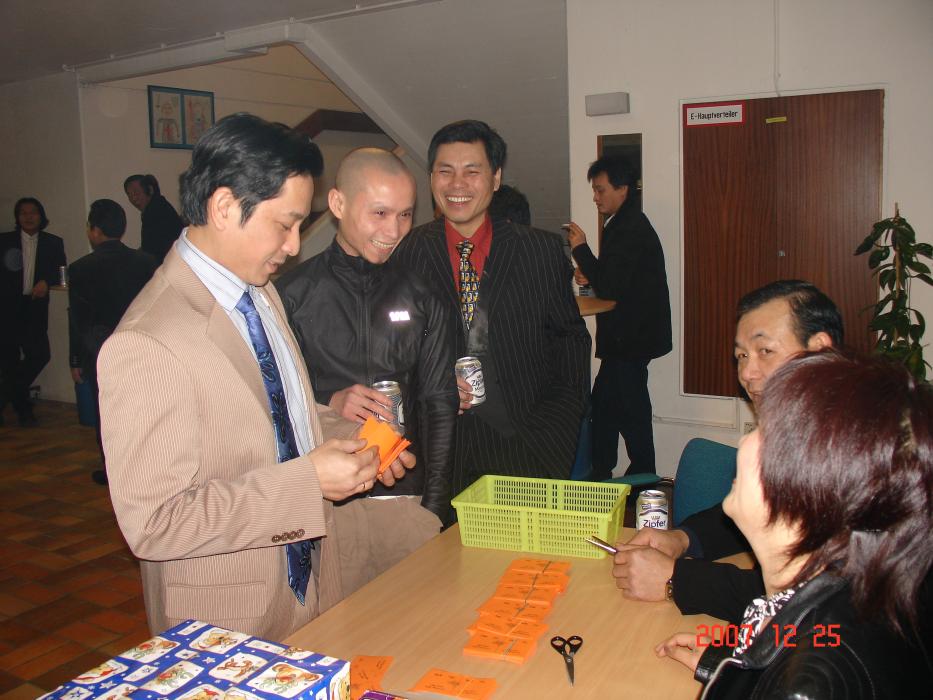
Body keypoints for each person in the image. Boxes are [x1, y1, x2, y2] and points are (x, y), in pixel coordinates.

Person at [99, 113, 412, 640]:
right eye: (284, 224)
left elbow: (277, 414)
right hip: (227, 617)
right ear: (224, 207)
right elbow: (155, 523)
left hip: (311, 581)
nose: (293, 246)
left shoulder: (259, 292)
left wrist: (351, 438)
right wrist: (309, 481)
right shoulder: (146, 341)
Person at [656, 351, 933, 697]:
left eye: (764, 430)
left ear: (805, 480)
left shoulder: (806, 688)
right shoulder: (861, 590)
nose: (743, 442)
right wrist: (737, 669)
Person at [276, 148, 457, 593]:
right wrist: (328, 400)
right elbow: (267, 399)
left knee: (415, 622)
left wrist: (433, 505)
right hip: (327, 503)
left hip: (406, 498)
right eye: (379, 213)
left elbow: (440, 402)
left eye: (405, 214)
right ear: (338, 204)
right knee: (335, 628)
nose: (393, 231)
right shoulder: (291, 295)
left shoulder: (423, 294)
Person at [613, 280, 843, 622]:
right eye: (741, 356)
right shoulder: (802, 431)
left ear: (819, 349)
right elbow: (759, 516)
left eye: (765, 351)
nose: (747, 373)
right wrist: (683, 539)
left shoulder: (859, 452)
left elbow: (810, 602)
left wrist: (676, 580)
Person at [392, 119, 590, 499]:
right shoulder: (407, 253)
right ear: (431, 178)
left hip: (527, 449)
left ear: (496, 178)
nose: (457, 184)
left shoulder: (540, 251)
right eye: (445, 171)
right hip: (435, 452)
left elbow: (570, 343)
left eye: (472, 171)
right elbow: (393, 351)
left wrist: (558, 431)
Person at [565, 156, 672, 479]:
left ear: (622, 189)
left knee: (626, 410)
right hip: (630, 339)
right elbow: (615, 279)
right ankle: (606, 473)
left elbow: (612, 285)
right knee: (608, 407)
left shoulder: (629, 227)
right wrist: (590, 273)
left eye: (600, 190)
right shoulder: (624, 223)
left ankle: (638, 476)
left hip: (631, 339)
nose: (595, 197)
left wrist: (581, 249)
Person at [68, 199, 158, 485]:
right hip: (141, 346)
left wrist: (76, 359)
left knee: (107, 414)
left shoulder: (80, 268)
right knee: (143, 410)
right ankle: (147, 465)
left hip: (100, 349)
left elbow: (79, 320)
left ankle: (113, 470)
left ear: (95, 230)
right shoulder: (146, 262)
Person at [0, 197, 66, 427]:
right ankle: (24, 410)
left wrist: (46, 281)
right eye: (23, 213)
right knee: (8, 362)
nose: (28, 217)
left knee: (40, 355)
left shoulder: (53, 242)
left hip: (35, 308)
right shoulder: (4, 241)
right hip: (7, 309)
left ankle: (4, 397)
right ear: (17, 217)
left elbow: (61, 271)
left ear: (41, 215)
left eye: (33, 212)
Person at [124, 174, 184, 264]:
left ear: (150, 190)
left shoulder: (156, 211)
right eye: (129, 195)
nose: (133, 198)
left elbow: (152, 251)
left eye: (136, 193)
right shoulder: (158, 206)